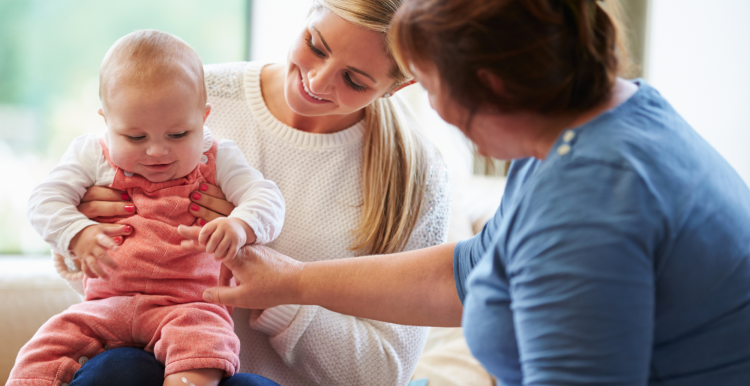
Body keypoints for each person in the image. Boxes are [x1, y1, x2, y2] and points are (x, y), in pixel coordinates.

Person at [196, 0, 750, 385]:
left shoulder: (593, 205)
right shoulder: (601, 120)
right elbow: (474, 270)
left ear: (492, 86)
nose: (432, 110)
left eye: (430, 85)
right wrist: (290, 283)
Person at [55, 1, 451, 385]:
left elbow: (385, 374)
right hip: (145, 364)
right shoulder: (188, 93)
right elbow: (100, 292)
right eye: (316, 46)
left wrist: (282, 293)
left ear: (399, 85)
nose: (316, 81)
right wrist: (90, 232)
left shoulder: (416, 175)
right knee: (119, 370)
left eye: (354, 80)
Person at [13, 30, 285, 386]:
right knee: (41, 353)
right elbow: (43, 200)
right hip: (104, 304)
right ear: (106, 121)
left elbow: (267, 199)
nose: (157, 151)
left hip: (188, 307)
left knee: (202, 350)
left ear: (203, 119)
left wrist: (241, 225)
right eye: (136, 137)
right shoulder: (91, 154)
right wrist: (77, 232)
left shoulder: (219, 156)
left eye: (177, 135)